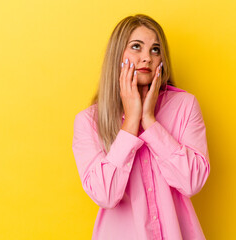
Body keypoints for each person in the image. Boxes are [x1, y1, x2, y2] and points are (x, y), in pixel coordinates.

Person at [72, 14, 210, 240]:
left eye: (155, 50)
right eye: (136, 47)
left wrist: (150, 121)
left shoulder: (185, 106)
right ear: (118, 55)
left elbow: (192, 182)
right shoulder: (88, 122)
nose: (147, 57)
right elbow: (104, 195)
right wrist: (131, 122)